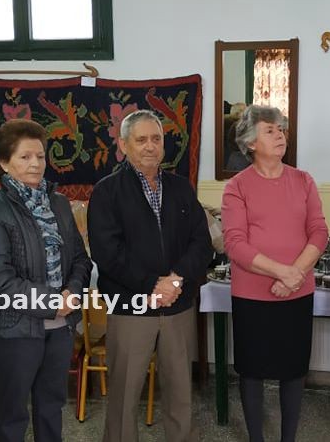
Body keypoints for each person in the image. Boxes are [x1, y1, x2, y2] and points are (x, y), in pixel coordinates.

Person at [88, 109, 212, 442]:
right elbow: (107, 252)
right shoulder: (107, 192)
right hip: (132, 307)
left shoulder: (181, 187)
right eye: (141, 139)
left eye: (156, 138)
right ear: (123, 145)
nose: (150, 146)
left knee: (180, 393)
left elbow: (201, 243)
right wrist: (151, 285)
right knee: (124, 395)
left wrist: (176, 279)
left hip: (177, 306)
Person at [0, 118, 91, 442]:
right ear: (3, 163)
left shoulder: (59, 203)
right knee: (13, 414)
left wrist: (72, 292)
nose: (36, 163)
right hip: (16, 329)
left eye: (40, 155)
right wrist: (54, 303)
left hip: (61, 327)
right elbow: (0, 280)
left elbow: (80, 259)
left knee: (51, 406)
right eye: (25, 157)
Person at [221, 104, 329, 442]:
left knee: (293, 370)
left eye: (281, 129)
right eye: (270, 130)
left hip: (297, 292)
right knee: (252, 370)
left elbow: (319, 232)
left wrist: (295, 274)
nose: (280, 135)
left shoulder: (303, 180)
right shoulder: (237, 186)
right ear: (251, 142)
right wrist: (283, 272)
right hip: (252, 296)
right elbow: (235, 244)